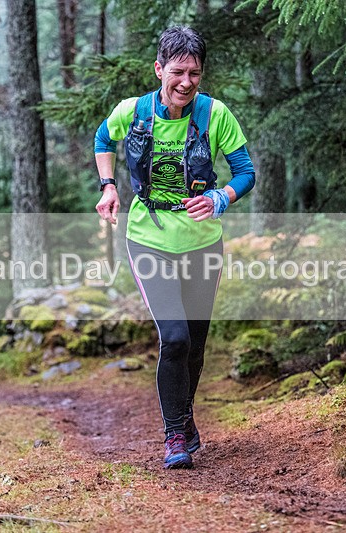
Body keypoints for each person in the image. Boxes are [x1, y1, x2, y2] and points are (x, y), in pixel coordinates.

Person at [94, 26, 255, 469]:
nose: (186, 82)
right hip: (148, 237)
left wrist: (221, 197)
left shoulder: (215, 114)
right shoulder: (134, 111)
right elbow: (103, 139)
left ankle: (183, 417)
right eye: (178, 72)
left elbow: (245, 172)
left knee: (197, 345)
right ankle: (175, 435)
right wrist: (109, 186)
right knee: (176, 337)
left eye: (195, 74)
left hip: (203, 244)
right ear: (159, 69)